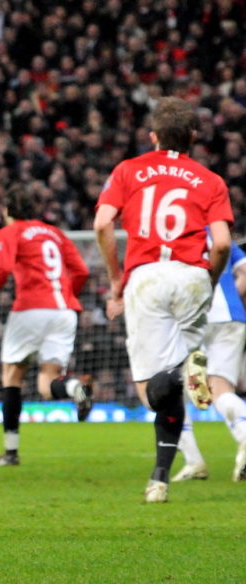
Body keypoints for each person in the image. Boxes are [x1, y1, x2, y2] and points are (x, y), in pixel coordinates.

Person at [94, 97, 233, 503]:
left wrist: (116, 278)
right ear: (193, 136)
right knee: (179, 374)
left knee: (149, 388)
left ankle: (162, 473)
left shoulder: (128, 170)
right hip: (192, 275)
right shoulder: (210, 179)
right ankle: (160, 477)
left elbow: (103, 223)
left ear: (152, 136)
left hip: (146, 277)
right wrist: (209, 276)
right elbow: (221, 242)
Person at [0, 184, 92, 467]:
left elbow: (2, 269)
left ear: (8, 211)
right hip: (65, 311)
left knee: (12, 376)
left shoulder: (10, 232)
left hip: (31, 308)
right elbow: (82, 270)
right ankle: (73, 389)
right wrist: (68, 295)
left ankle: (11, 453)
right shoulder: (55, 233)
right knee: (47, 384)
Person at [172, 239, 246, 482]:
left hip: (191, 318)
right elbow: (244, 274)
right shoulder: (221, 237)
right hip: (233, 316)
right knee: (220, 389)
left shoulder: (177, 232)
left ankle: (194, 462)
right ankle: (244, 435)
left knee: (171, 393)